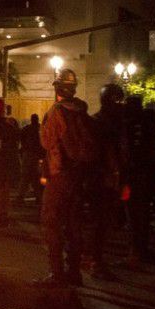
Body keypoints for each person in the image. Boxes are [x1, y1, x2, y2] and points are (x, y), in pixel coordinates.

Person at [37, 69, 94, 286]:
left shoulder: (56, 112)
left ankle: (57, 274)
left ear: (58, 89)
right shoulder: (82, 111)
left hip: (59, 175)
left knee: (51, 223)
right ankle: (74, 273)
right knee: (73, 225)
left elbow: (47, 143)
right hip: (78, 177)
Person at [86, 83, 127, 280]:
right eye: (118, 100)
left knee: (102, 223)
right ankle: (95, 262)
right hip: (100, 180)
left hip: (104, 179)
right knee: (99, 223)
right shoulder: (102, 123)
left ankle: (94, 259)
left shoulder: (111, 122)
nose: (121, 104)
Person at [121, 97, 155, 266]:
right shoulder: (148, 125)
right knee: (143, 216)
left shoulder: (130, 125)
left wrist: (125, 179)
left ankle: (136, 253)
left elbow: (128, 154)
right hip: (146, 176)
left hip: (135, 177)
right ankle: (142, 250)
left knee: (134, 216)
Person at [0, 97, 19, 227]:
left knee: (1, 192)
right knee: (4, 192)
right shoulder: (8, 125)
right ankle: (2, 217)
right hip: (7, 163)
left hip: (0, 163)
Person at [17, 113, 44, 206]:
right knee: (36, 178)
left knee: (25, 177)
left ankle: (20, 197)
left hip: (27, 155)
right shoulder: (41, 129)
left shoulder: (26, 129)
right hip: (37, 156)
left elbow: (21, 139)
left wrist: (24, 148)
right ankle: (38, 197)